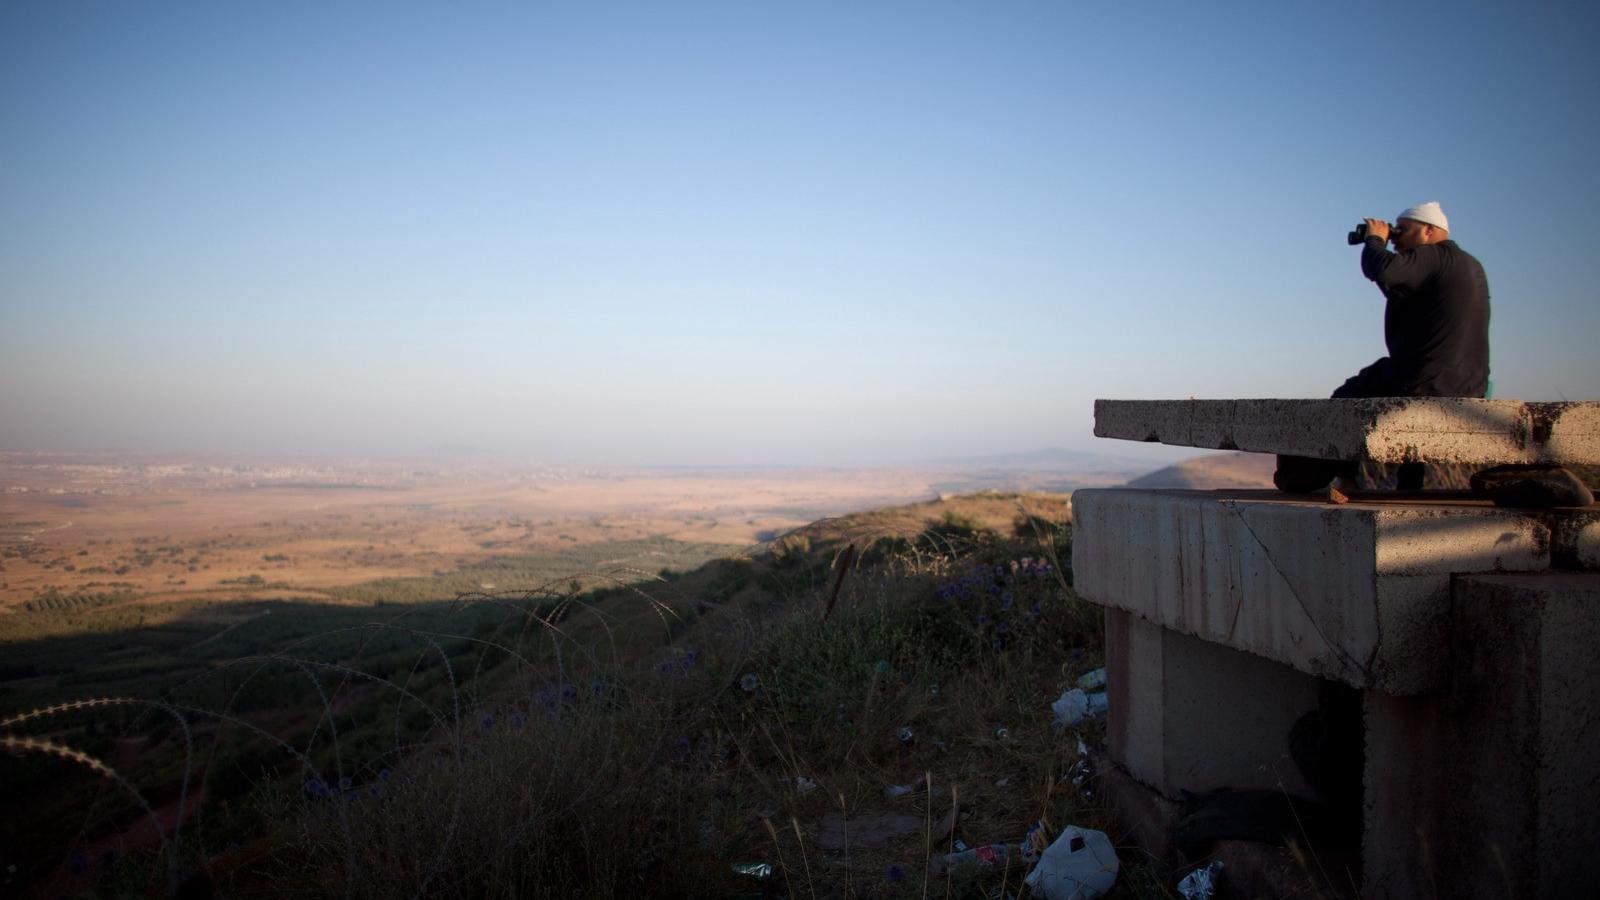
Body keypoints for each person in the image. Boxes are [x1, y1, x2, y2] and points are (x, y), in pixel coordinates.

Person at [1275, 201, 1491, 492]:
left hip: (1424, 381)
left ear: (1428, 231)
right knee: (1386, 384)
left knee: (1345, 400)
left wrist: (1376, 239)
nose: (1398, 238)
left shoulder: (1433, 256)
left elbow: (1385, 270)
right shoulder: (1468, 264)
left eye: (1403, 231)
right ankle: (1407, 488)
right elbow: (1399, 287)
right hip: (1468, 385)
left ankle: (1319, 480)